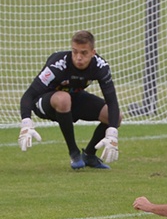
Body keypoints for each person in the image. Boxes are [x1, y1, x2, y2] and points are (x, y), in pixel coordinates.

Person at [18, 30, 121, 170]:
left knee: (115, 117)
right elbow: (29, 94)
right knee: (63, 98)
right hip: (45, 102)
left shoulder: (100, 66)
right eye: (75, 52)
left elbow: (112, 101)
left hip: (73, 100)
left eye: (84, 53)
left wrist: (112, 133)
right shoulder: (58, 64)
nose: (78, 57)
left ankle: (89, 155)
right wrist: (26, 122)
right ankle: (74, 153)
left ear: (93, 52)